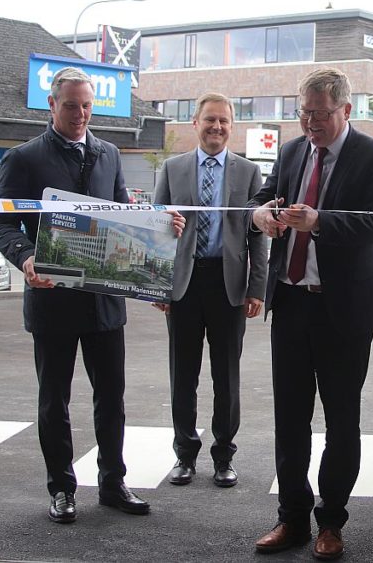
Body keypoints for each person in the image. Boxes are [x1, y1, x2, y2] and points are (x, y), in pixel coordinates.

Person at [0, 66, 184, 524]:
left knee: (111, 397)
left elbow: (121, 216)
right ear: (52, 105)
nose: (80, 113)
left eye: (87, 106)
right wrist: (26, 259)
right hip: (51, 299)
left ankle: (113, 484)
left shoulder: (109, 153)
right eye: (71, 105)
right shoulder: (24, 158)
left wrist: (160, 225)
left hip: (103, 303)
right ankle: (62, 488)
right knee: (54, 399)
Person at [248, 67, 373, 560]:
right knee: (289, 419)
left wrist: (320, 221)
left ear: (345, 110)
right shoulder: (292, 151)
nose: (310, 123)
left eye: (319, 114)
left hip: (343, 311)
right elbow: (262, 196)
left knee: (341, 420)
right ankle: (290, 518)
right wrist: (262, 215)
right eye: (303, 113)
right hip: (290, 303)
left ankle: (331, 522)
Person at [153, 92, 267, 489]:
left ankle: (224, 456)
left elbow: (258, 237)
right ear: (195, 124)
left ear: (232, 126)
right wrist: (157, 284)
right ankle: (185, 456)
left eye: (223, 121)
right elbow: (157, 232)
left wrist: (257, 287)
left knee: (227, 375)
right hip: (183, 284)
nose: (216, 127)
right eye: (209, 120)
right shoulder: (172, 168)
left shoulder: (249, 173)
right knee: (183, 375)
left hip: (228, 285)